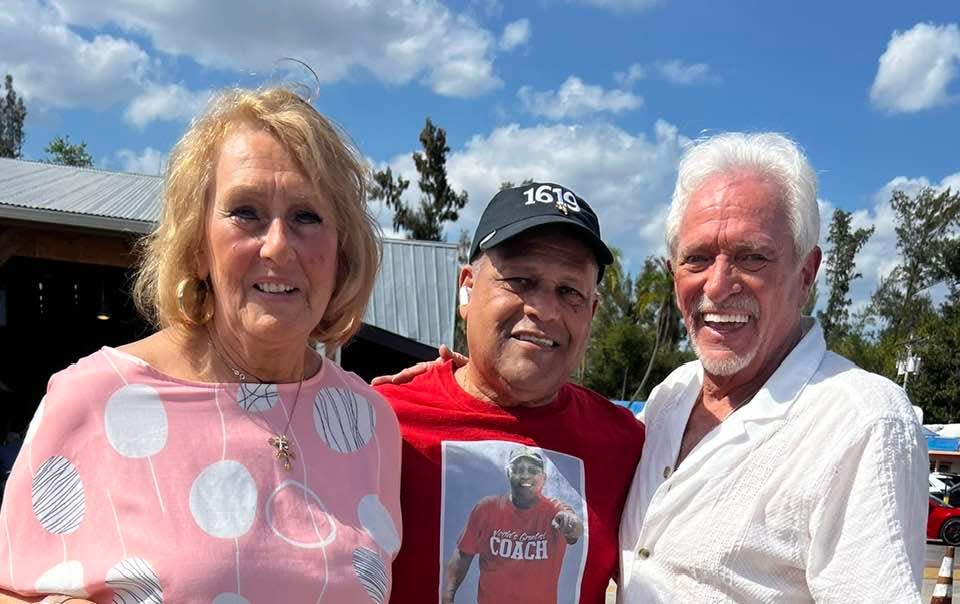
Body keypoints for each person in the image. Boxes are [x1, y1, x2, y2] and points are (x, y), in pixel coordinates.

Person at [0, 87, 401, 603]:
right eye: (246, 211)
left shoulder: (367, 424)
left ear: (342, 250)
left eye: (307, 216)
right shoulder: (93, 400)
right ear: (198, 244)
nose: (278, 245)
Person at [617, 132, 928, 602]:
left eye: (752, 257)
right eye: (697, 258)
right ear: (672, 270)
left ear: (806, 275)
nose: (718, 287)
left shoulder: (862, 423)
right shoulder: (670, 397)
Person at [375, 182, 645, 603]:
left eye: (570, 291)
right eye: (520, 280)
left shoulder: (628, 444)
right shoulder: (382, 422)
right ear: (467, 288)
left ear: (591, 312)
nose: (546, 310)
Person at [443, 446, 584, 604]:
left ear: (543, 478)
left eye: (532, 470)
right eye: (518, 469)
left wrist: (570, 523)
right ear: (509, 474)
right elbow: (463, 555)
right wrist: (448, 596)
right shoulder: (486, 508)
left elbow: (575, 531)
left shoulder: (556, 510)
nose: (525, 475)